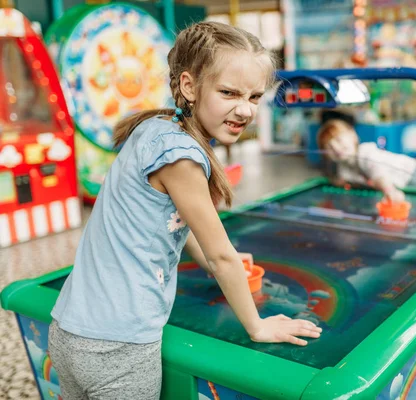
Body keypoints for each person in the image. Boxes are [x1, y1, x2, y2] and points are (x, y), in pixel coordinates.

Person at [48, 22, 322, 400]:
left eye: (255, 96)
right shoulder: (182, 158)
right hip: (118, 345)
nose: (244, 109)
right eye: (228, 92)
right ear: (190, 86)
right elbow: (222, 255)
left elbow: (172, 217)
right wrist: (256, 325)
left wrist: (206, 263)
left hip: (68, 330)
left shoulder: (155, 127)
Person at [317, 113, 416, 203]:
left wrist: (389, 192)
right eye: (329, 146)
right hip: (404, 185)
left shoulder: (365, 152)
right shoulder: (343, 168)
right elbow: (348, 183)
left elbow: (377, 173)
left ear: (353, 136)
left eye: (339, 140)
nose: (336, 148)